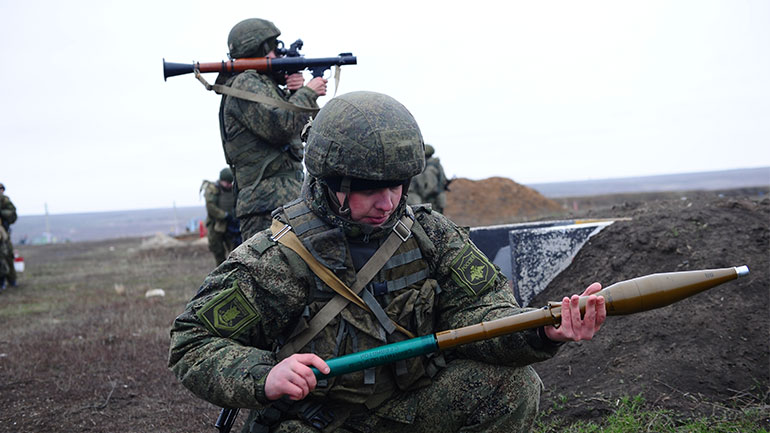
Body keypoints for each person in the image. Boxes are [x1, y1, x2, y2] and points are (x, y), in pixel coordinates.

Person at [169, 91, 606, 433]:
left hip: (406, 409)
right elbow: (192, 342)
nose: (389, 202)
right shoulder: (277, 258)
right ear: (330, 180)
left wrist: (539, 330)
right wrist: (265, 374)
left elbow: (481, 313)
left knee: (513, 387)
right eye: (369, 189)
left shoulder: (429, 234)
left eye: (398, 185)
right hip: (318, 421)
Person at [218, 18, 328, 241]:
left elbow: (310, 133)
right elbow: (279, 127)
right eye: (274, 50)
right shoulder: (245, 83)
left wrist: (296, 94)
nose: (279, 56)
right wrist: (307, 92)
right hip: (266, 205)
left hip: (287, 199)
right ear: (259, 49)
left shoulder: (267, 87)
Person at [201, 168, 242, 266]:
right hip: (215, 226)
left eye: (230, 182)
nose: (228, 185)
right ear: (221, 180)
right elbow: (211, 208)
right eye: (226, 182)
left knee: (235, 252)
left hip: (231, 226)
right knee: (218, 253)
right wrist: (224, 215)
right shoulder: (212, 190)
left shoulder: (233, 190)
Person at [406, 144, 450, 213]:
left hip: (433, 199)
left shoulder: (430, 167)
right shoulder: (436, 164)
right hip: (438, 198)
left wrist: (423, 194)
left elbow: (429, 186)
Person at [0, 183, 18, 290]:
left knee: (7, 256)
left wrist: (2, 213)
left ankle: (11, 280)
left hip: (3, 234)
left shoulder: (5, 201)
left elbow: (13, 215)